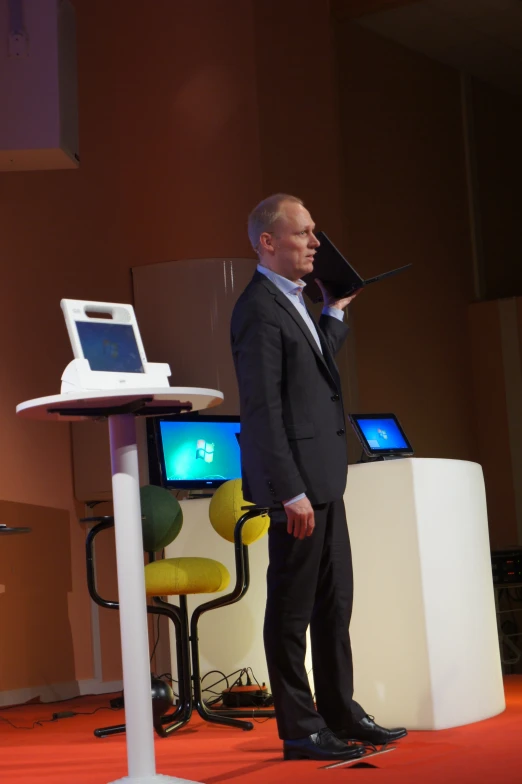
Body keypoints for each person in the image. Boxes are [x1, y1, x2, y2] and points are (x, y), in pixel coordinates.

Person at [230, 194, 407, 762]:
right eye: (304, 234)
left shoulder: (300, 300)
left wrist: (334, 311)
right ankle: (300, 729)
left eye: (314, 234)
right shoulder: (257, 308)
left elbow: (314, 379)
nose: (315, 244)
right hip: (298, 489)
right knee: (292, 609)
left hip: (325, 481)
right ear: (268, 242)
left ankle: (339, 712)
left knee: (335, 605)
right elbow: (262, 410)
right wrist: (290, 492)